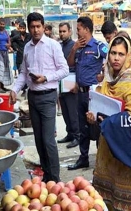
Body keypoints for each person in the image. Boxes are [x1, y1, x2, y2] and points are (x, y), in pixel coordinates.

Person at [86, 36, 131, 211]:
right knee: (107, 203)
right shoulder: (107, 80)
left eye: (121, 54)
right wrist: (94, 118)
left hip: (127, 156)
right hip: (108, 153)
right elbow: (100, 111)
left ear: (129, 56)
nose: (116, 58)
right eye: (113, 53)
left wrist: (109, 121)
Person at [9, 12, 69, 183]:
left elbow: (64, 70)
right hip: (33, 97)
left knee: (49, 140)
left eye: (38, 26)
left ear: (43, 27)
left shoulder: (53, 45)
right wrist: (14, 89)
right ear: (28, 28)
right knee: (39, 139)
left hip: (48, 96)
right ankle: (46, 176)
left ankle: (55, 180)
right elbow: (23, 73)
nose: (35, 30)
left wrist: (46, 78)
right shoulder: (27, 47)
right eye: (32, 27)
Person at [67, 16, 108, 170]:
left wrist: (103, 75)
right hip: (81, 94)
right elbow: (69, 64)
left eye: (78, 29)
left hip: (94, 94)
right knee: (82, 128)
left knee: (98, 128)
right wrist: (74, 48)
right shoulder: (78, 47)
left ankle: (101, 161)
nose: (77, 32)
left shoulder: (99, 46)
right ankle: (83, 158)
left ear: (86, 29)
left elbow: (111, 61)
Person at [56, 22, 80, 149]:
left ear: (70, 31)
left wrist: (77, 83)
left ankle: (77, 136)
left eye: (64, 31)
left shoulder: (74, 46)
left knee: (72, 110)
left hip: (71, 80)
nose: (62, 34)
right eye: (60, 31)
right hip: (60, 82)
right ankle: (69, 133)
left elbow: (77, 65)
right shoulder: (58, 46)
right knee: (64, 109)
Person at [11, 21, 31, 95]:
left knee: (28, 73)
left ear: (26, 28)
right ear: (18, 29)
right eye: (21, 28)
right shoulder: (16, 37)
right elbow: (11, 41)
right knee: (21, 73)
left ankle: (28, 87)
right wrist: (15, 47)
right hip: (19, 57)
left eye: (23, 28)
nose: (22, 30)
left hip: (28, 57)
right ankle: (23, 89)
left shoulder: (29, 36)